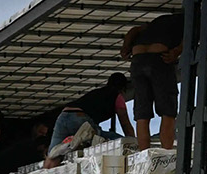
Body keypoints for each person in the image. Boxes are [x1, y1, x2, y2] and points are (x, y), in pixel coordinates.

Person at [122, 10, 183, 151]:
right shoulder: (193, 19)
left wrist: (126, 47)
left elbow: (134, 30)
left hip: (138, 60)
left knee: (142, 112)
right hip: (159, 59)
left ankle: (144, 154)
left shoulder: (160, 20)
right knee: (168, 111)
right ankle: (166, 153)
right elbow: (190, 37)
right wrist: (177, 51)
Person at [47, 73, 130, 164]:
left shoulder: (97, 92)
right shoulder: (117, 96)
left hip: (63, 116)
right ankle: (75, 141)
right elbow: (126, 124)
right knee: (111, 138)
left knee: (52, 155)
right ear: (123, 87)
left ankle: (68, 145)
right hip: (80, 118)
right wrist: (132, 142)